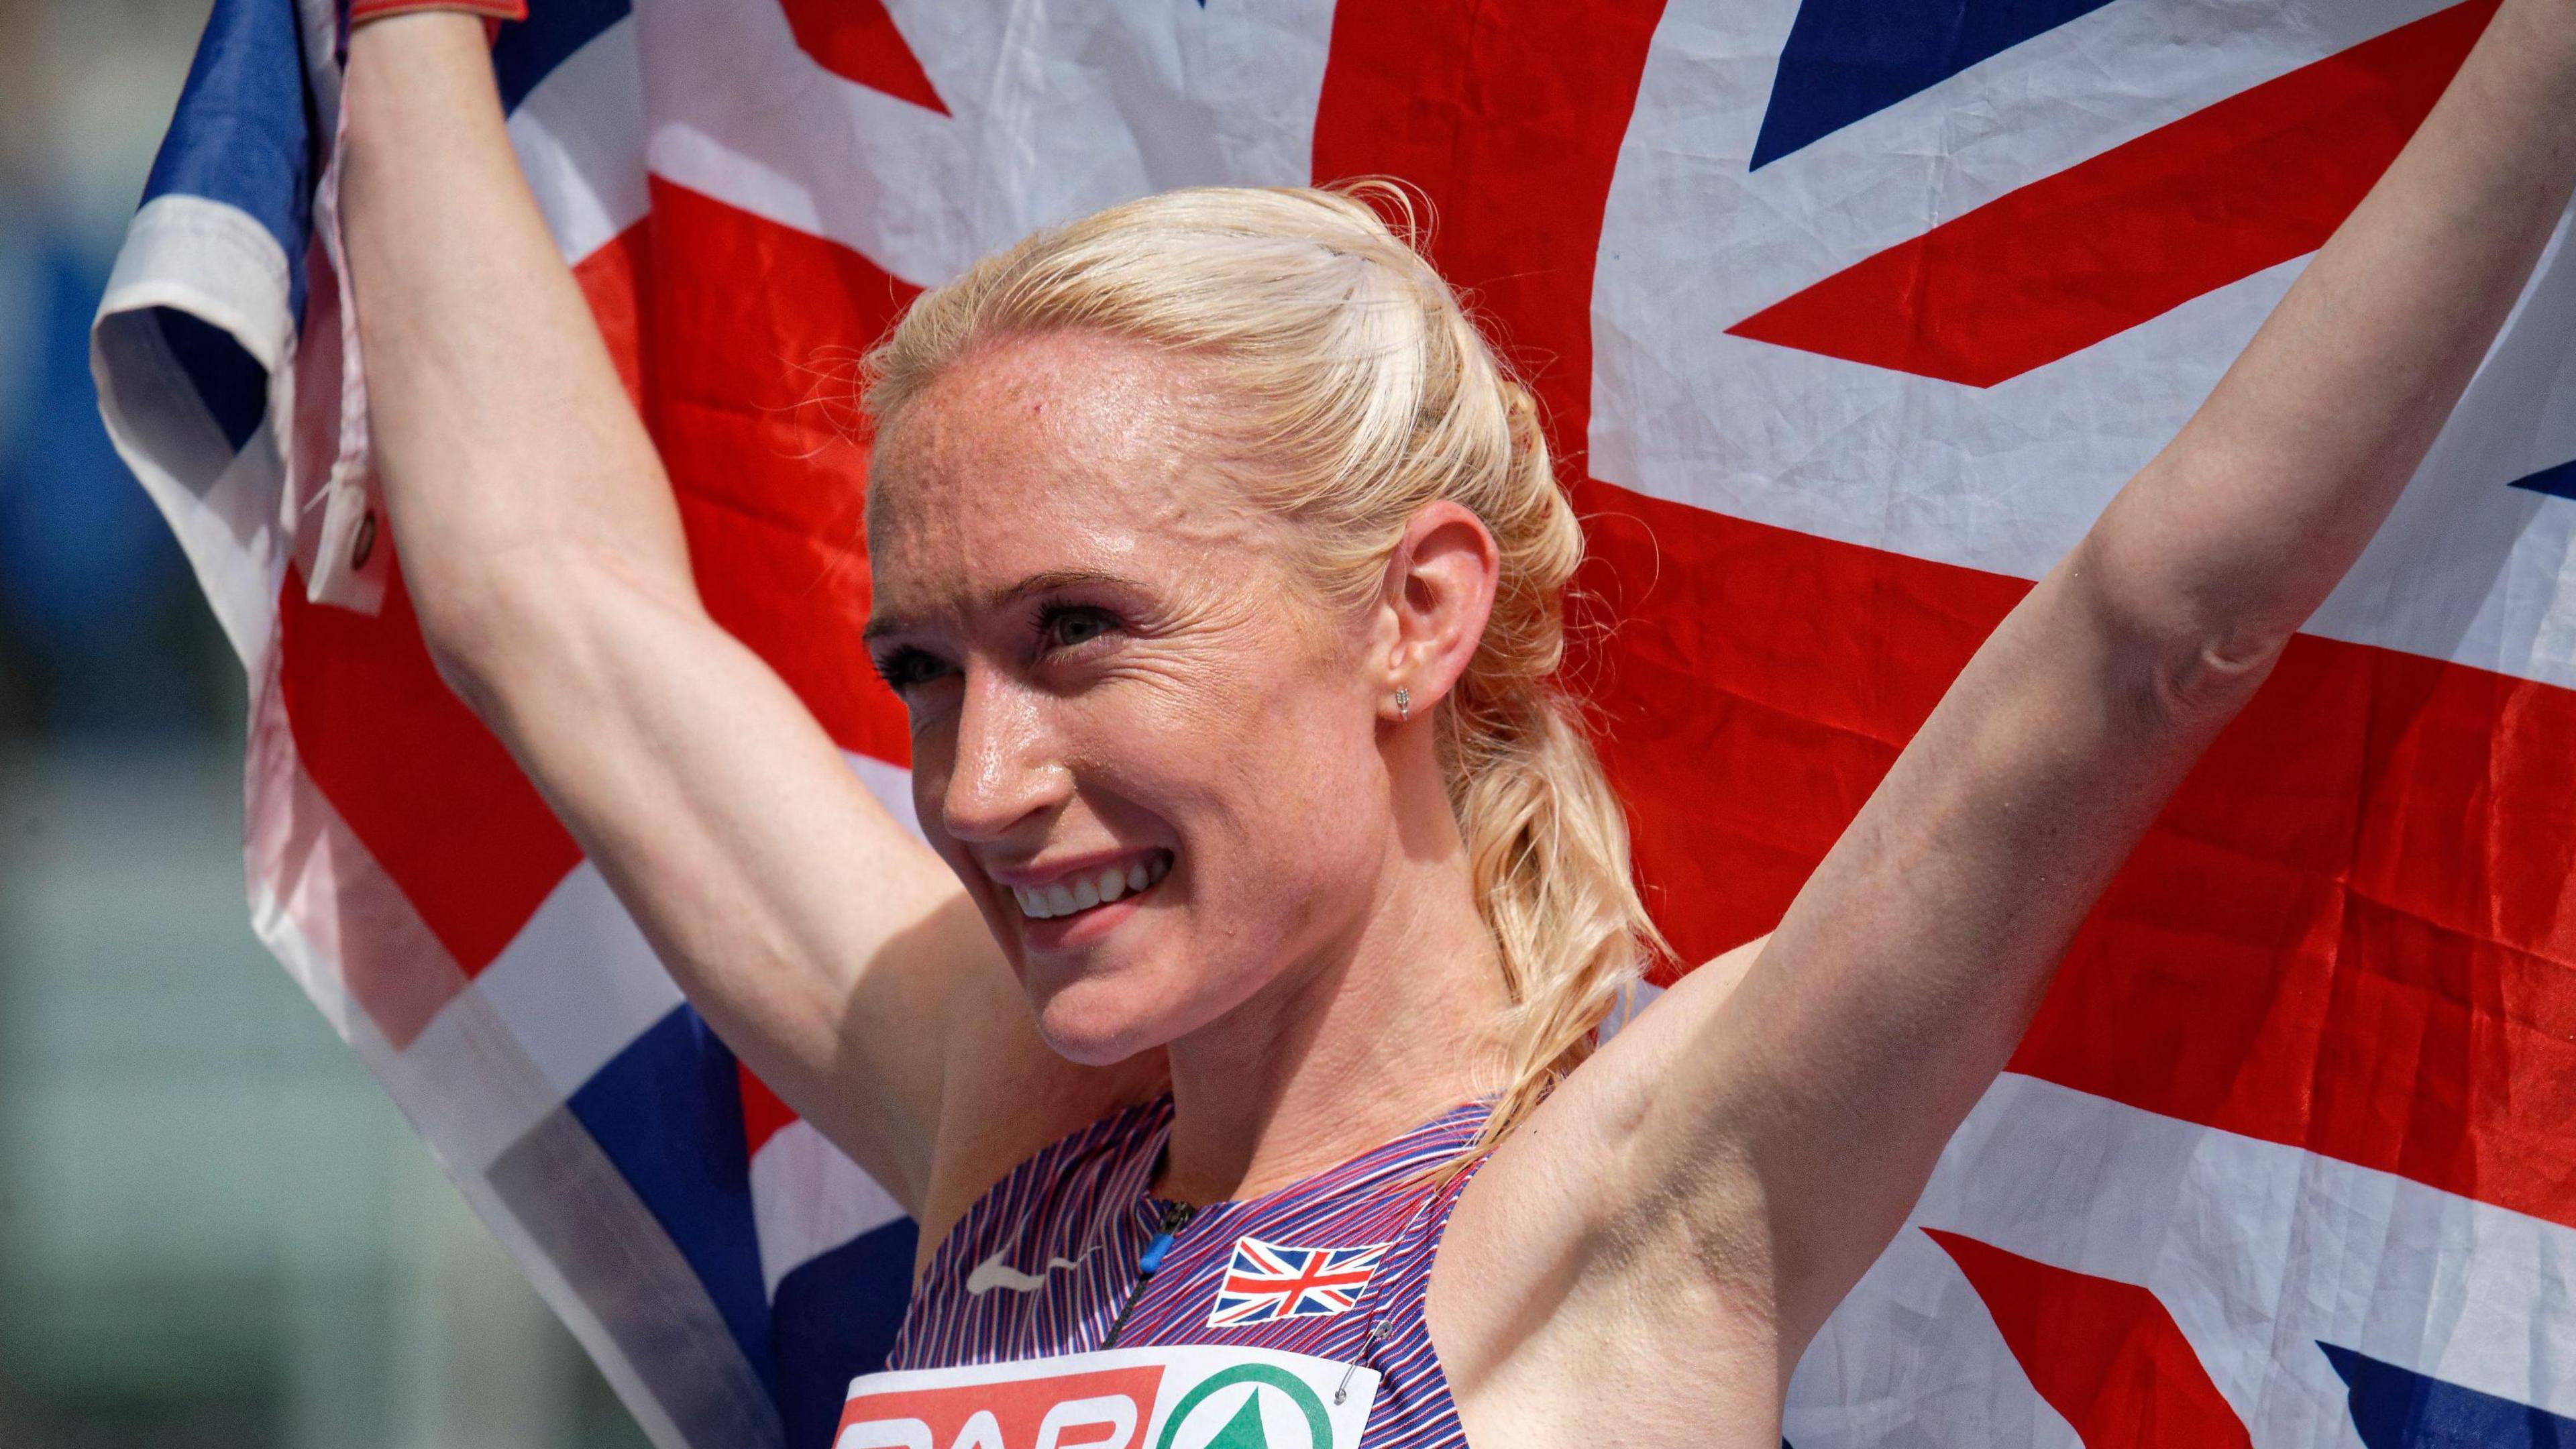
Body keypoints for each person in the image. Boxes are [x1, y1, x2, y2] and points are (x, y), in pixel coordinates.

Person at [339, 3, 2576, 1444]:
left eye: (1083, 632)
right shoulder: (1007, 1115)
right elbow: (547, 602)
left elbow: (2155, 618)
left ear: (1416, 617)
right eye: (920, 669)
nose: (975, 786)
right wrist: (403, 21)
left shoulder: (1642, 1185)